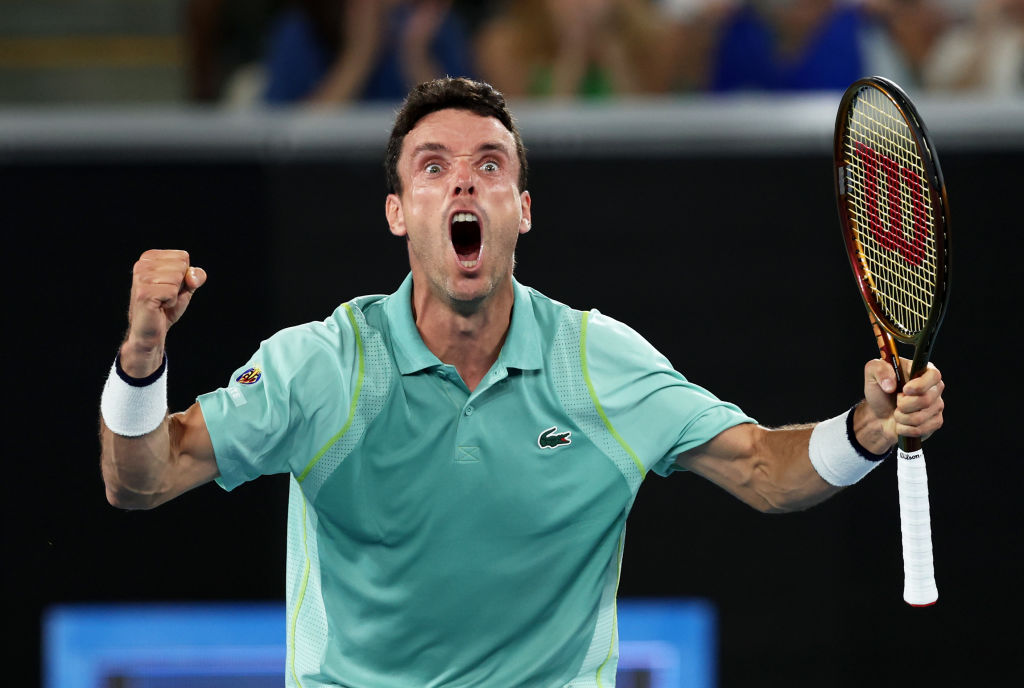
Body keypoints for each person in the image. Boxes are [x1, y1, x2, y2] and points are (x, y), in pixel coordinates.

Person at [99, 77, 945, 687]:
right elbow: (139, 481)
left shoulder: (598, 364)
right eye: (432, 167)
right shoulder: (324, 366)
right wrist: (142, 359)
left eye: (490, 164)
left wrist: (865, 431)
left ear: (523, 208)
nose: (464, 179)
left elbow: (763, 468)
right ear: (398, 212)